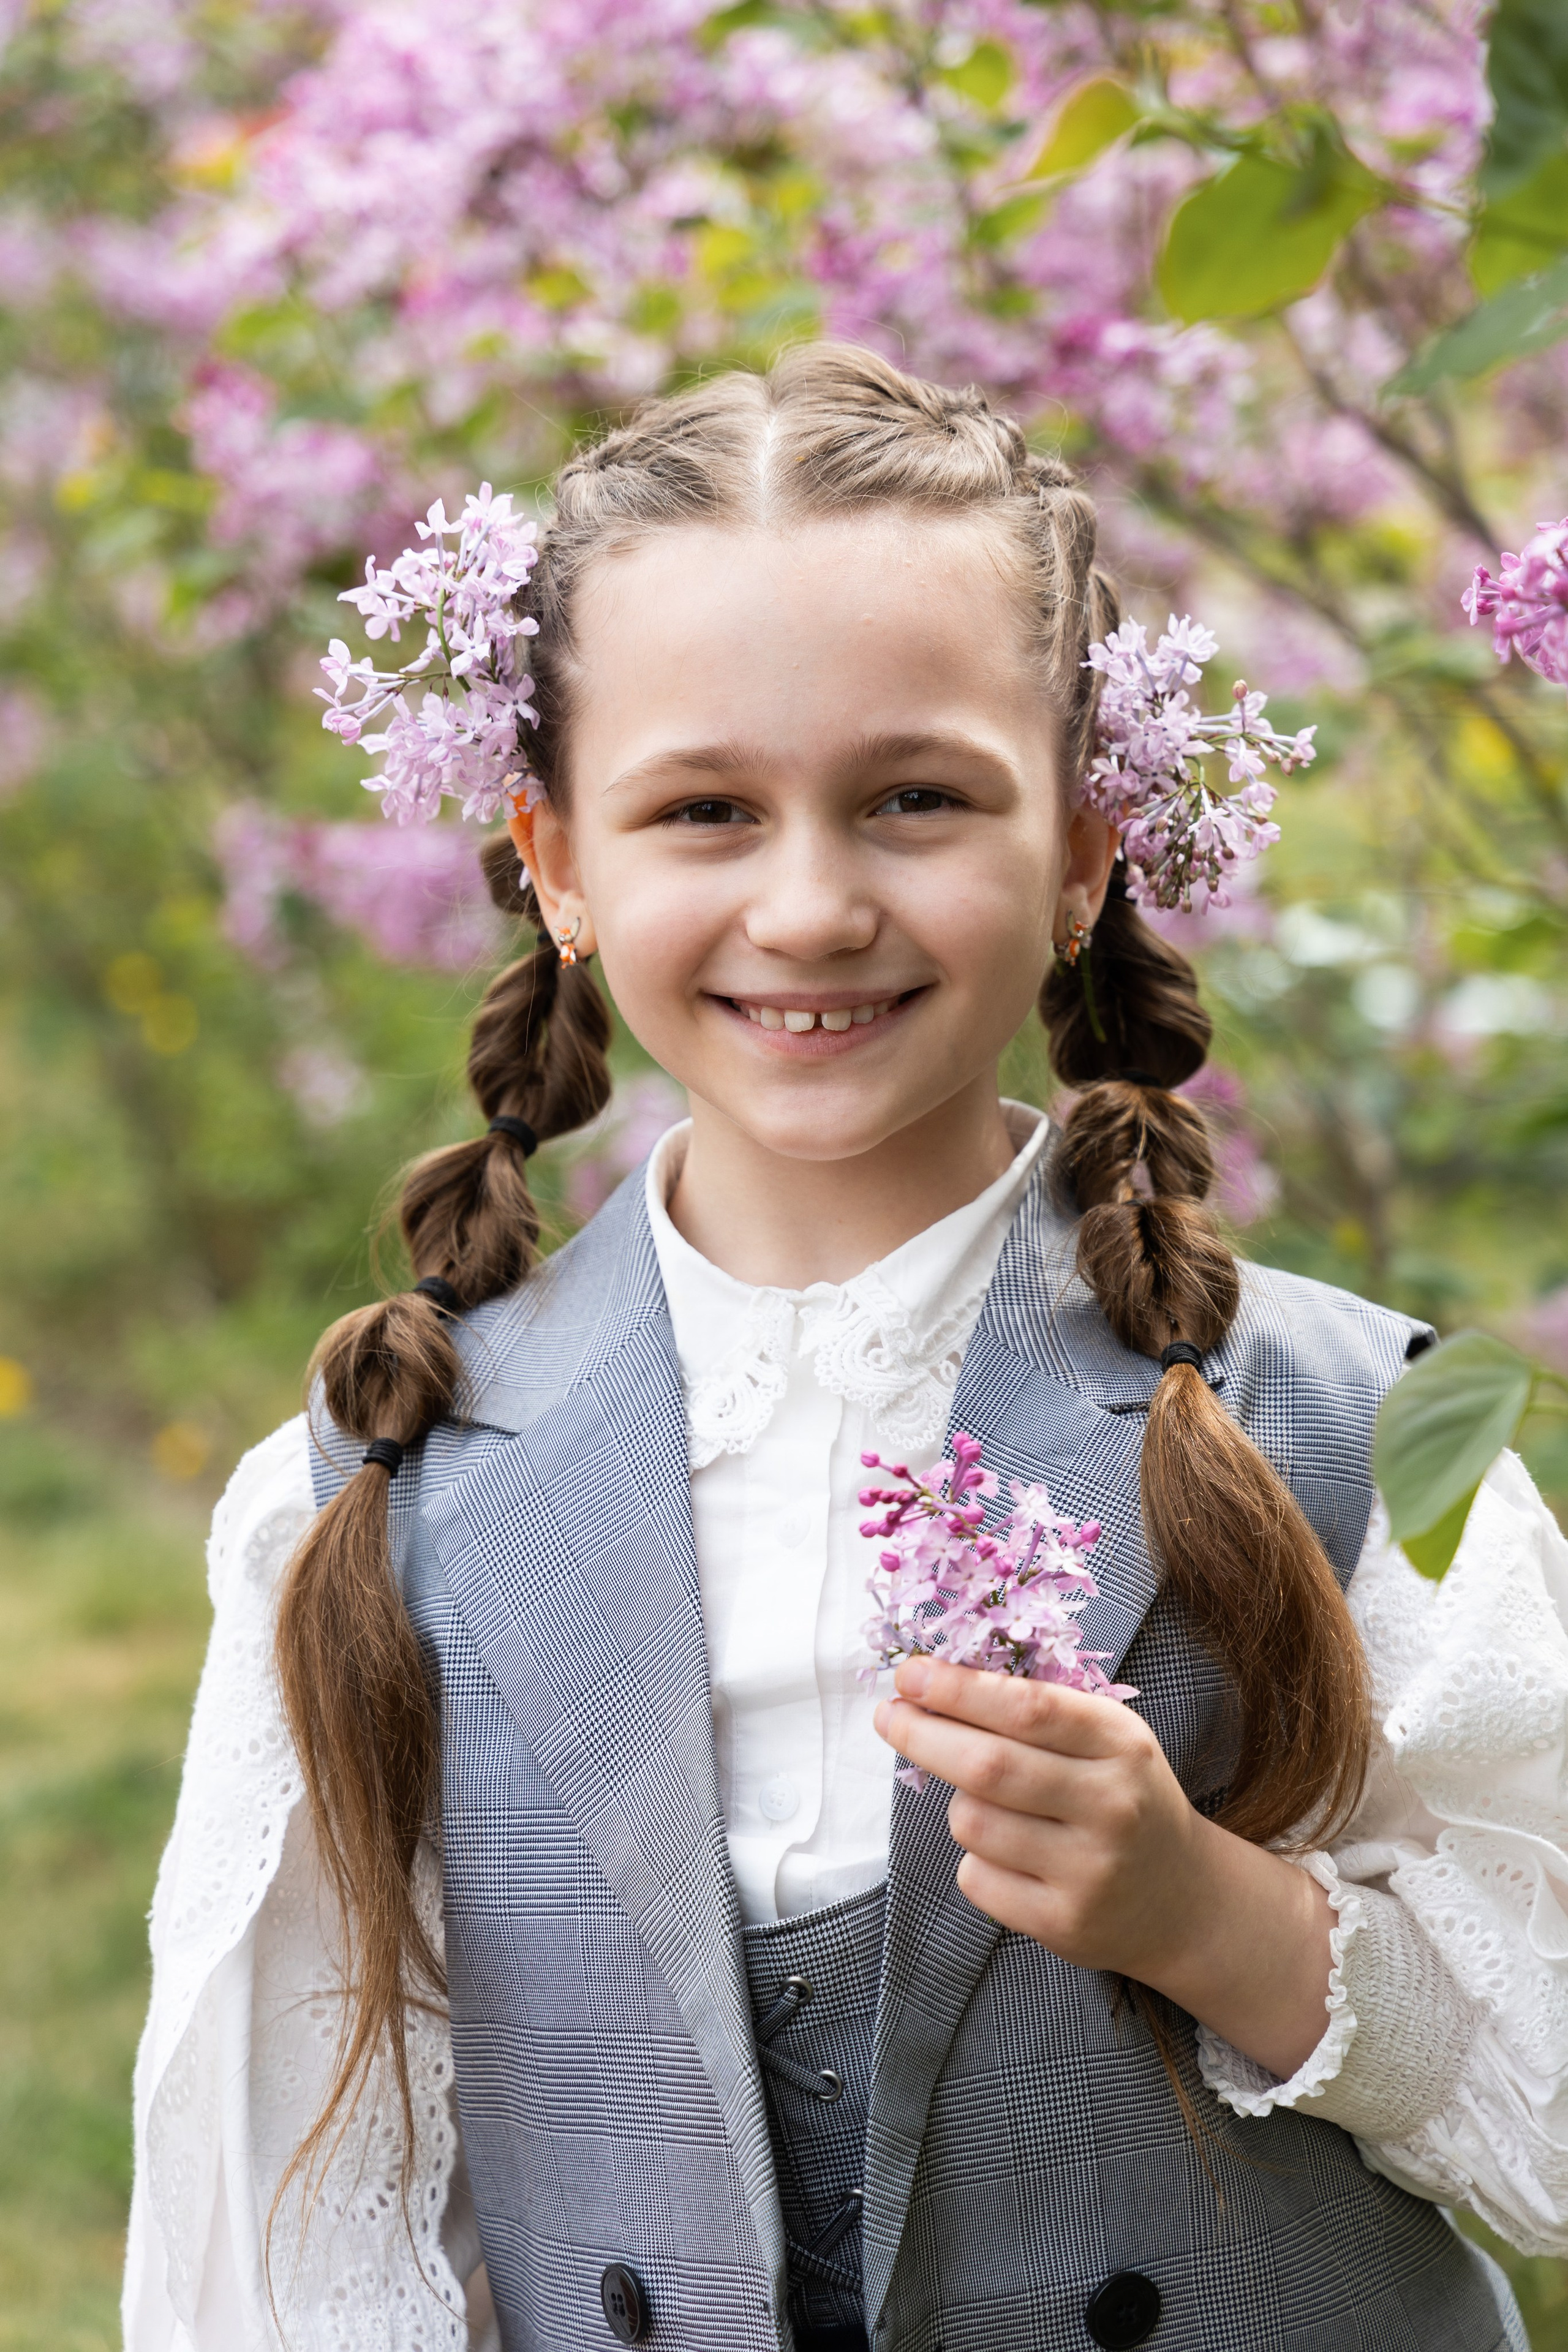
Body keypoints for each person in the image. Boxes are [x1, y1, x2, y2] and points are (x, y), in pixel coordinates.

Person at [124, 345, 1567, 2352]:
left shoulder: (1349, 1436)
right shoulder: (367, 1500)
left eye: (914, 798)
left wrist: (1211, 1919)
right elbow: (291, 2225)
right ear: (556, 863)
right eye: (704, 809)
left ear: (1079, 852)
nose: (809, 907)